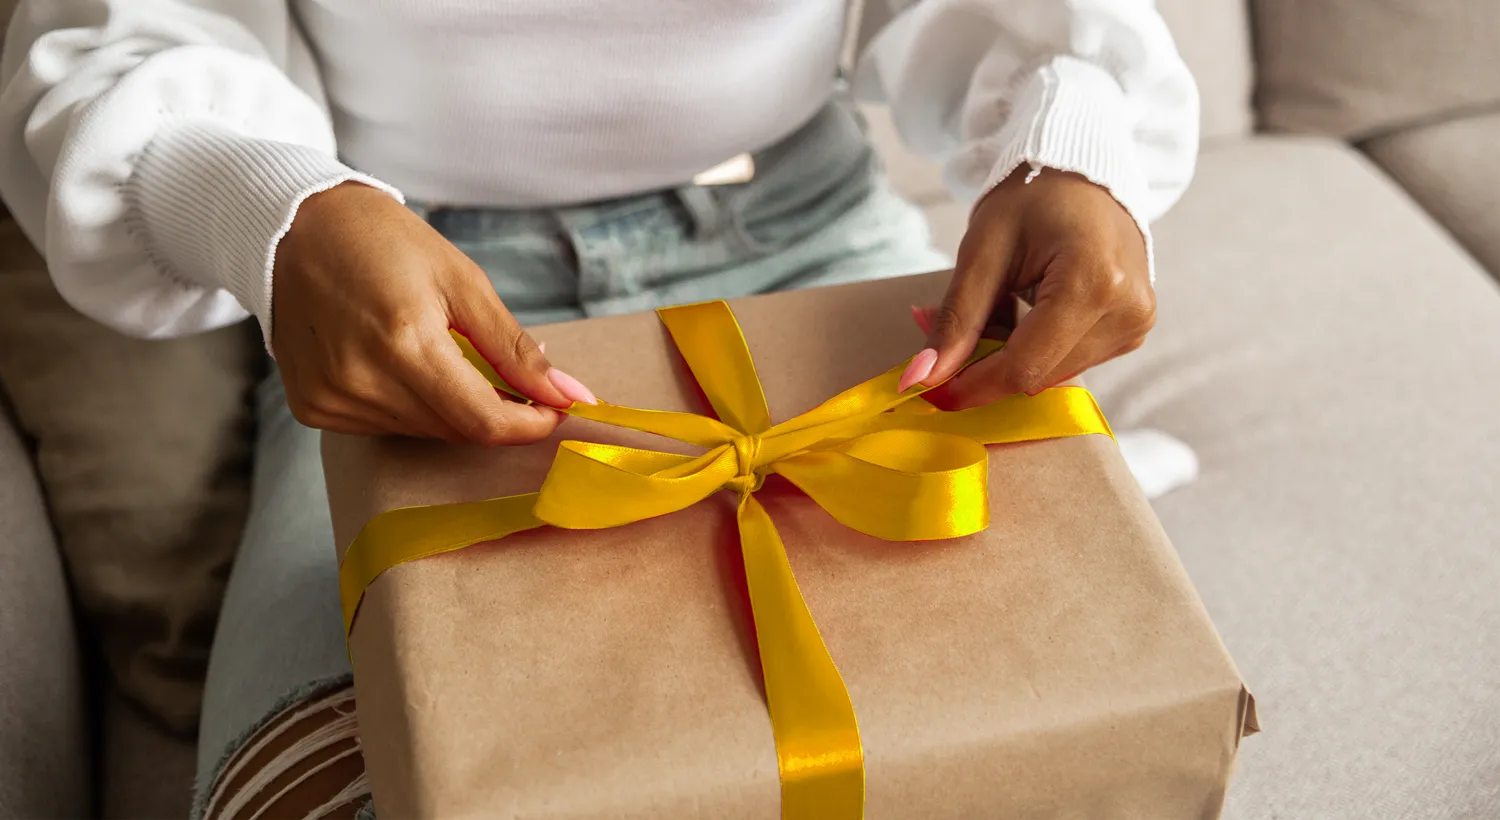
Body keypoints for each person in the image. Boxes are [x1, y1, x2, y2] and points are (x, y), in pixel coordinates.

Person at [0, 0, 1197, 816]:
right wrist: (268, 213)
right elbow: (126, 33)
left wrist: (1077, 138)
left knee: (1061, 723)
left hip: (816, 241)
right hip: (413, 291)